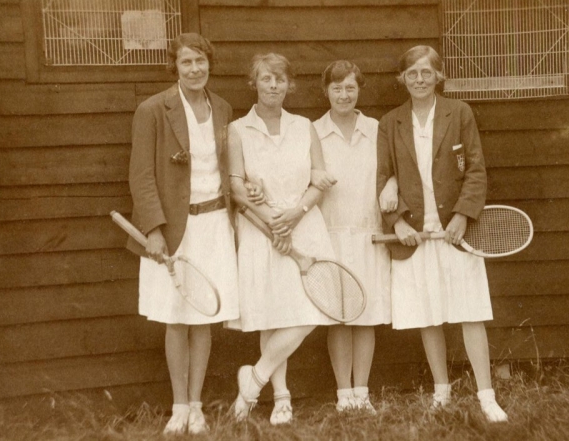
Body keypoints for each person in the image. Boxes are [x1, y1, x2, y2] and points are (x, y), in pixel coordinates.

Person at [376, 45, 508, 422]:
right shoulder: (390, 121)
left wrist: (464, 216)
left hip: (455, 232)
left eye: (426, 72)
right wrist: (398, 222)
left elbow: (476, 170)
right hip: (416, 235)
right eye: (412, 73)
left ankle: (486, 395)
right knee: (428, 314)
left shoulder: (459, 112)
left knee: (471, 313)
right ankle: (441, 391)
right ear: (402, 78)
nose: (419, 80)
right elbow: (382, 175)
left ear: (438, 76)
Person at [127, 33, 241, 435]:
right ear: (175, 67)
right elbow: (141, 176)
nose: (195, 69)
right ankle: (178, 405)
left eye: (201, 61)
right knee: (176, 318)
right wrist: (154, 231)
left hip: (214, 226)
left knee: (203, 317)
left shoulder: (223, 108)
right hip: (174, 229)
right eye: (187, 62)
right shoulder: (153, 109)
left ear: (210, 63)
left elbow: (229, 168)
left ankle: (196, 405)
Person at [227, 53, 337, 425]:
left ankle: (253, 379)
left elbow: (319, 179)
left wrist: (295, 214)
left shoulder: (305, 127)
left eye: (280, 80)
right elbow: (236, 186)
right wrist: (271, 221)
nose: (273, 86)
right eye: (266, 79)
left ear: (290, 85)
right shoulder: (238, 129)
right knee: (272, 314)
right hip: (262, 230)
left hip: (304, 226)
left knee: (312, 311)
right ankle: (282, 398)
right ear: (254, 83)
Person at [312, 60, 391, 413]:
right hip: (329, 237)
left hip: (369, 234)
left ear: (359, 89)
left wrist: (393, 183)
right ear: (325, 91)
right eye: (336, 88)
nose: (343, 95)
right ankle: (344, 395)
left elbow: (396, 168)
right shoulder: (311, 131)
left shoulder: (377, 129)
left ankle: (362, 392)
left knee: (367, 315)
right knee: (340, 317)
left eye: (350, 88)